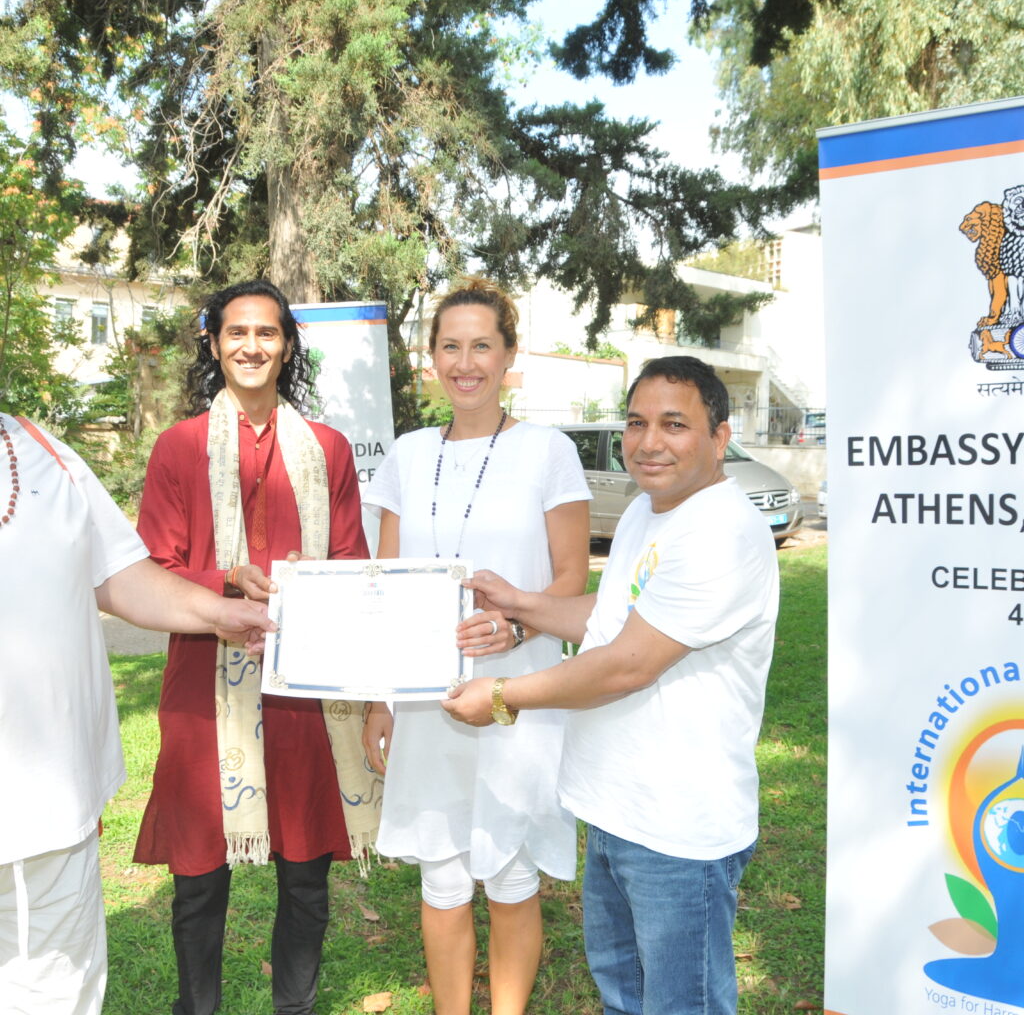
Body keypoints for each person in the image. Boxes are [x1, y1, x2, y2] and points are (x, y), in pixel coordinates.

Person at [443, 355, 780, 1015]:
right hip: (615, 810)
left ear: (718, 436)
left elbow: (628, 663)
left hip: (679, 831)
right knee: (625, 998)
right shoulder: (646, 512)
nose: (649, 441)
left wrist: (506, 697)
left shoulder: (722, 529)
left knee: (683, 1005)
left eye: (674, 424)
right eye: (636, 422)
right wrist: (521, 602)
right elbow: (611, 619)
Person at [132, 279, 380, 1015]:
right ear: (214, 343)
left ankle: (293, 1008)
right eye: (236, 333)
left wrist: (372, 684)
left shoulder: (327, 449)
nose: (251, 346)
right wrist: (224, 582)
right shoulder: (178, 448)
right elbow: (152, 568)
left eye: (266, 334)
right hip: (205, 685)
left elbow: (351, 562)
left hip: (308, 687)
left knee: (306, 873)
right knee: (200, 876)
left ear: (288, 345)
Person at [360, 277, 590, 1015]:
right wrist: (380, 702)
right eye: (450, 346)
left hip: (516, 691)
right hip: (427, 700)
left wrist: (520, 625)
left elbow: (570, 578)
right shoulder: (405, 454)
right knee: (443, 877)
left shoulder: (548, 451)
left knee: (513, 876)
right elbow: (388, 584)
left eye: (482, 345)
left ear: (509, 356)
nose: (466, 362)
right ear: (431, 359)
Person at [0, 410, 274, 1015]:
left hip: (53, 813)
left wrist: (219, 614)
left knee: (56, 997)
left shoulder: (48, 454)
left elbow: (122, 577)